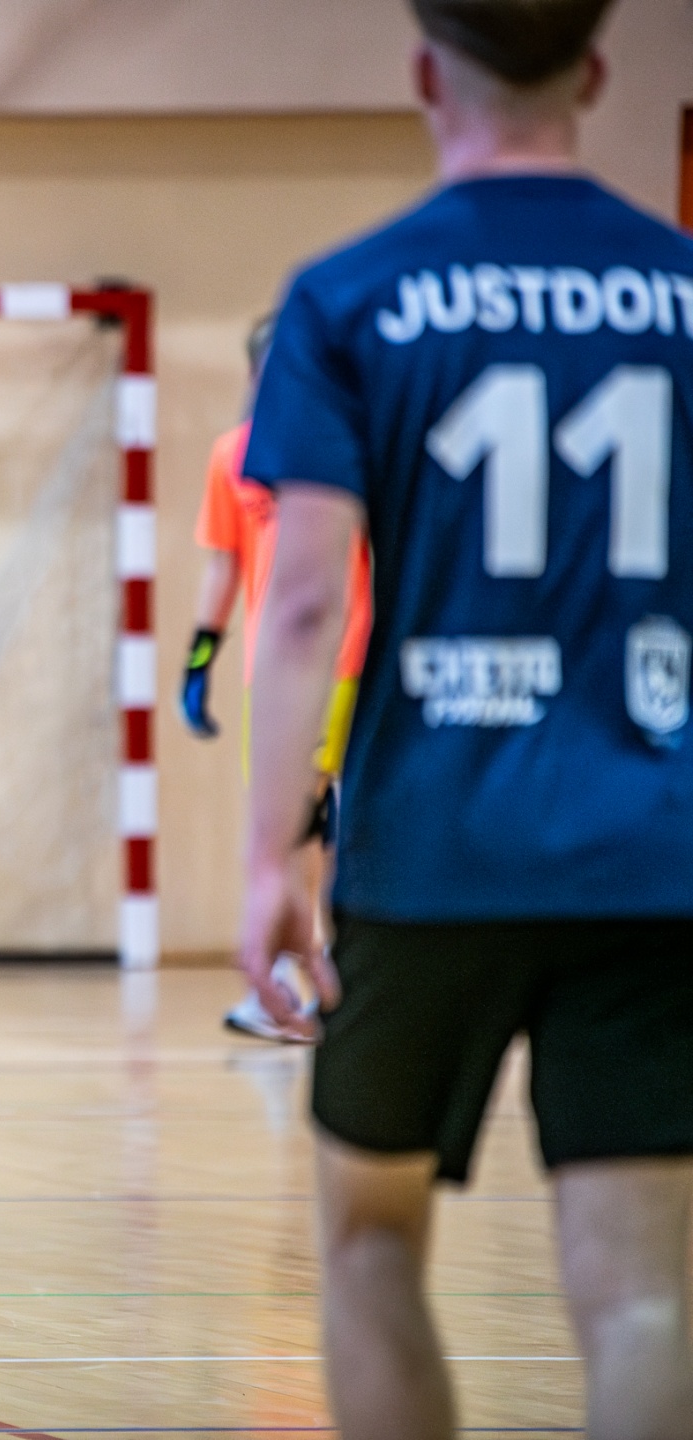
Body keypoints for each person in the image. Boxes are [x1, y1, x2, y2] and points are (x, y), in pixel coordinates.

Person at [238, 2, 693, 1435]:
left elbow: (303, 603)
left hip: (431, 848)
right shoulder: (683, 289)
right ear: (597, 71)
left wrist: (270, 853)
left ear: (427, 72)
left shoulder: (351, 295)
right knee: (643, 1291)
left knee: (371, 1241)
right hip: (651, 847)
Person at [183, 316, 372, 1043]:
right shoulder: (232, 455)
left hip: (346, 653)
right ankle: (306, 978)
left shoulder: (351, 448)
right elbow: (224, 560)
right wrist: (201, 656)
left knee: (309, 819)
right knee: (295, 820)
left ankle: (305, 979)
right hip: (275, 667)